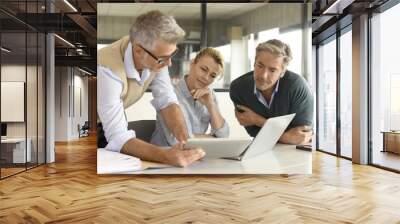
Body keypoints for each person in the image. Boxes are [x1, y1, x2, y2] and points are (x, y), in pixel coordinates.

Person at [97, 10, 205, 167]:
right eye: (163, 59)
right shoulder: (107, 70)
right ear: (138, 51)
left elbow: (167, 101)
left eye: (172, 55)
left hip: (110, 125)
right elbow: (118, 137)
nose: (169, 64)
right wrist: (167, 156)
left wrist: (186, 141)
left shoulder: (155, 54)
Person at [229, 39, 313, 145]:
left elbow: (301, 137)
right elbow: (254, 132)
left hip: (295, 152)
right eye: (260, 65)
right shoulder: (238, 88)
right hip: (262, 148)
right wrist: (286, 137)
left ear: (282, 72)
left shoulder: (297, 87)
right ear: (254, 63)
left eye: (272, 70)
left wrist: (257, 120)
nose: (263, 75)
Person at [151, 48, 229, 146]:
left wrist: (210, 105)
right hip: (163, 157)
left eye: (213, 76)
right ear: (192, 64)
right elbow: (180, 140)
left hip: (195, 156)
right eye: (204, 69)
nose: (206, 78)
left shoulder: (209, 95)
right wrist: (213, 138)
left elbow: (223, 136)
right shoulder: (170, 94)